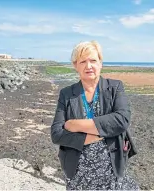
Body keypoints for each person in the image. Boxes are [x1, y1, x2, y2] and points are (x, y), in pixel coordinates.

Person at [51, 41, 139, 190]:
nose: (88, 66)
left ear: (100, 63)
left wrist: (74, 124)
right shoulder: (66, 94)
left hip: (112, 170)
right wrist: (88, 138)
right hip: (78, 174)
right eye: (83, 61)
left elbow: (122, 120)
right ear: (75, 65)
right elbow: (56, 134)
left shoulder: (115, 87)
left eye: (93, 60)